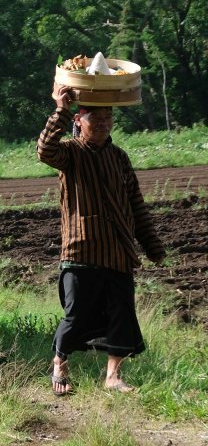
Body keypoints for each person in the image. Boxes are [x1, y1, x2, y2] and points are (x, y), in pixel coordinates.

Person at [41, 84, 165, 395]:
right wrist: (60, 110)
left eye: (108, 119)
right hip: (82, 248)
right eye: (95, 119)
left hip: (118, 250)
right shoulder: (69, 152)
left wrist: (152, 245)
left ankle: (113, 376)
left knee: (121, 313)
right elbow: (44, 149)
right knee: (77, 313)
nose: (103, 124)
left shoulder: (119, 157)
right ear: (79, 121)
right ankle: (59, 361)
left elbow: (135, 203)